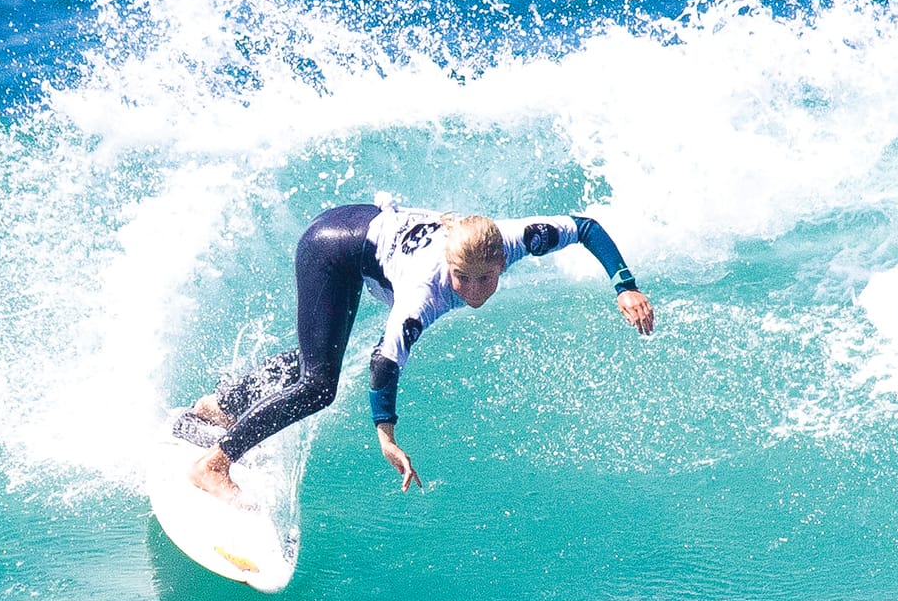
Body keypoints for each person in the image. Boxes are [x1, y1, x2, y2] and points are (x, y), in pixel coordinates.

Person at [186, 202, 655, 503]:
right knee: (318, 387)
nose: (472, 291)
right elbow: (384, 362)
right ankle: (215, 463)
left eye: (484, 280)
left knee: (318, 354)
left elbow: (584, 227)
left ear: (503, 261)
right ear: (449, 265)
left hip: (359, 228)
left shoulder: (513, 239)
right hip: (332, 249)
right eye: (461, 278)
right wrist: (386, 438)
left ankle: (221, 406)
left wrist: (624, 287)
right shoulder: (424, 294)